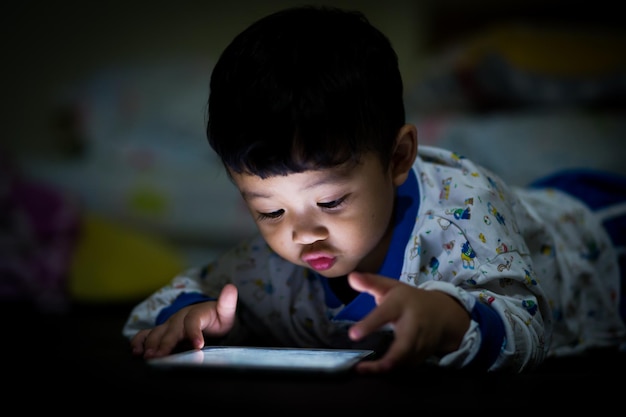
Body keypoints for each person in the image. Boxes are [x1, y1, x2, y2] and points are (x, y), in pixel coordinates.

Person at [122, 5, 626, 373]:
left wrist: (447, 318)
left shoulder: (463, 209)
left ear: (399, 158)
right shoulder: (270, 267)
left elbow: (528, 329)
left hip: (597, 238)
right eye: (270, 212)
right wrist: (187, 317)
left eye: (331, 201)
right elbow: (169, 302)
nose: (303, 234)